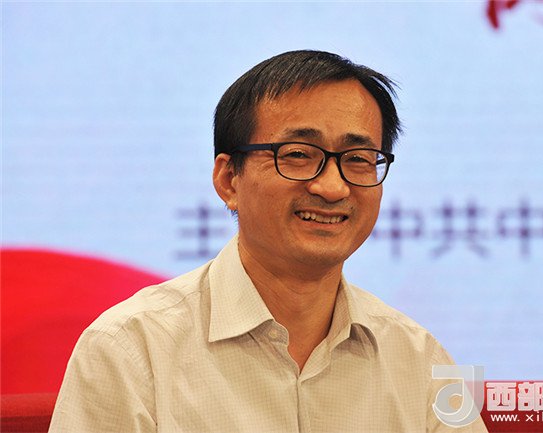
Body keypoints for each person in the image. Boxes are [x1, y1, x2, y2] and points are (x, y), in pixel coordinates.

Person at [49, 50, 487, 433]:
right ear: (229, 179)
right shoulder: (131, 347)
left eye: (357, 159)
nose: (332, 187)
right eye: (298, 155)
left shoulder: (420, 357)